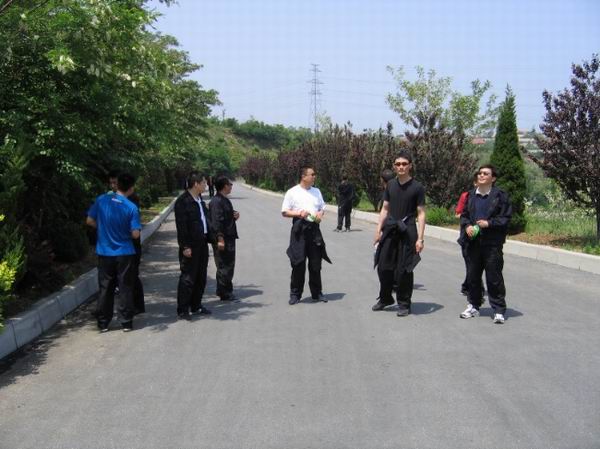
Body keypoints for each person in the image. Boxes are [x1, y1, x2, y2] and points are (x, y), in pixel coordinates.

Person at [373, 151, 426, 317]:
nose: (401, 167)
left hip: (407, 230)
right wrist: (378, 230)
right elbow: (385, 209)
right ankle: (385, 298)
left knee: (404, 270)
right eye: (398, 164)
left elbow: (421, 213)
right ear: (394, 166)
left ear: (410, 166)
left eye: (404, 164)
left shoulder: (417, 187)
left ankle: (404, 303)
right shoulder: (390, 185)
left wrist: (420, 239)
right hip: (390, 229)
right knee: (383, 266)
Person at [86, 173, 141, 332]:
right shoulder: (131, 207)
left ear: (117, 185)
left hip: (104, 251)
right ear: (131, 188)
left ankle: (103, 322)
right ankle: (126, 321)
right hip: (125, 252)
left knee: (105, 287)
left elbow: (89, 220)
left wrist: (102, 228)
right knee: (125, 286)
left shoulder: (101, 200)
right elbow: (135, 234)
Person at [459, 164, 512, 324]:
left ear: (493, 178)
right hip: (472, 243)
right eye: (480, 173)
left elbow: (505, 218)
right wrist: (467, 226)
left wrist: (489, 223)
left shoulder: (500, 196)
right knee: (472, 276)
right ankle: (473, 305)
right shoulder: (470, 195)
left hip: (492, 244)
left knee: (494, 277)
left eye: (485, 173)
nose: (481, 175)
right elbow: (464, 215)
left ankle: (498, 310)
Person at [281, 166, 331, 305]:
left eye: (315, 174)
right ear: (303, 176)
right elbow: (285, 212)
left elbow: (321, 207)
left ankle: (317, 293)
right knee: (298, 263)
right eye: (312, 174)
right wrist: (299, 213)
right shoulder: (292, 192)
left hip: (314, 230)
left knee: (315, 263)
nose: (314, 176)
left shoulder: (316, 191)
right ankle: (295, 294)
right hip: (299, 230)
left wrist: (320, 214)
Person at [174, 172, 213, 319]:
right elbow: (181, 227)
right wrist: (185, 246)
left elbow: (205, 219)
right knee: (188, 278)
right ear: (196, 184)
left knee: (201, 277)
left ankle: (196, 305)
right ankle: (183, 309)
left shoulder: (199, 199)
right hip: (190, 245)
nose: (206, 185)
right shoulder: (183, 202)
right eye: (203, 183)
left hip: (202, 242)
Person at [209, 176, 240, 301]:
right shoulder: (216, 202)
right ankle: (225, 292)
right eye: (230, 184)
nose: (231, 186)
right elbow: (216, 222)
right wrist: (220, 239)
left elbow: (225, 217)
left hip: (229, 237)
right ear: (225, 186)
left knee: (228, 265)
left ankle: (223, 290)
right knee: (224, 265)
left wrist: (234, 216)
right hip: (223, 239)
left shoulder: (224, 200)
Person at [455, 173, 480, 297]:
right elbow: (458, 214)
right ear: (475, 183)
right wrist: (470, 224)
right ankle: (471, 287)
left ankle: (468, 286)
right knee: (470, 263)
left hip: (483, 237)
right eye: (477, 182)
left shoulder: (494, 197)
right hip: (467, 236)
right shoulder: (467, 196)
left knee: (477, 264)